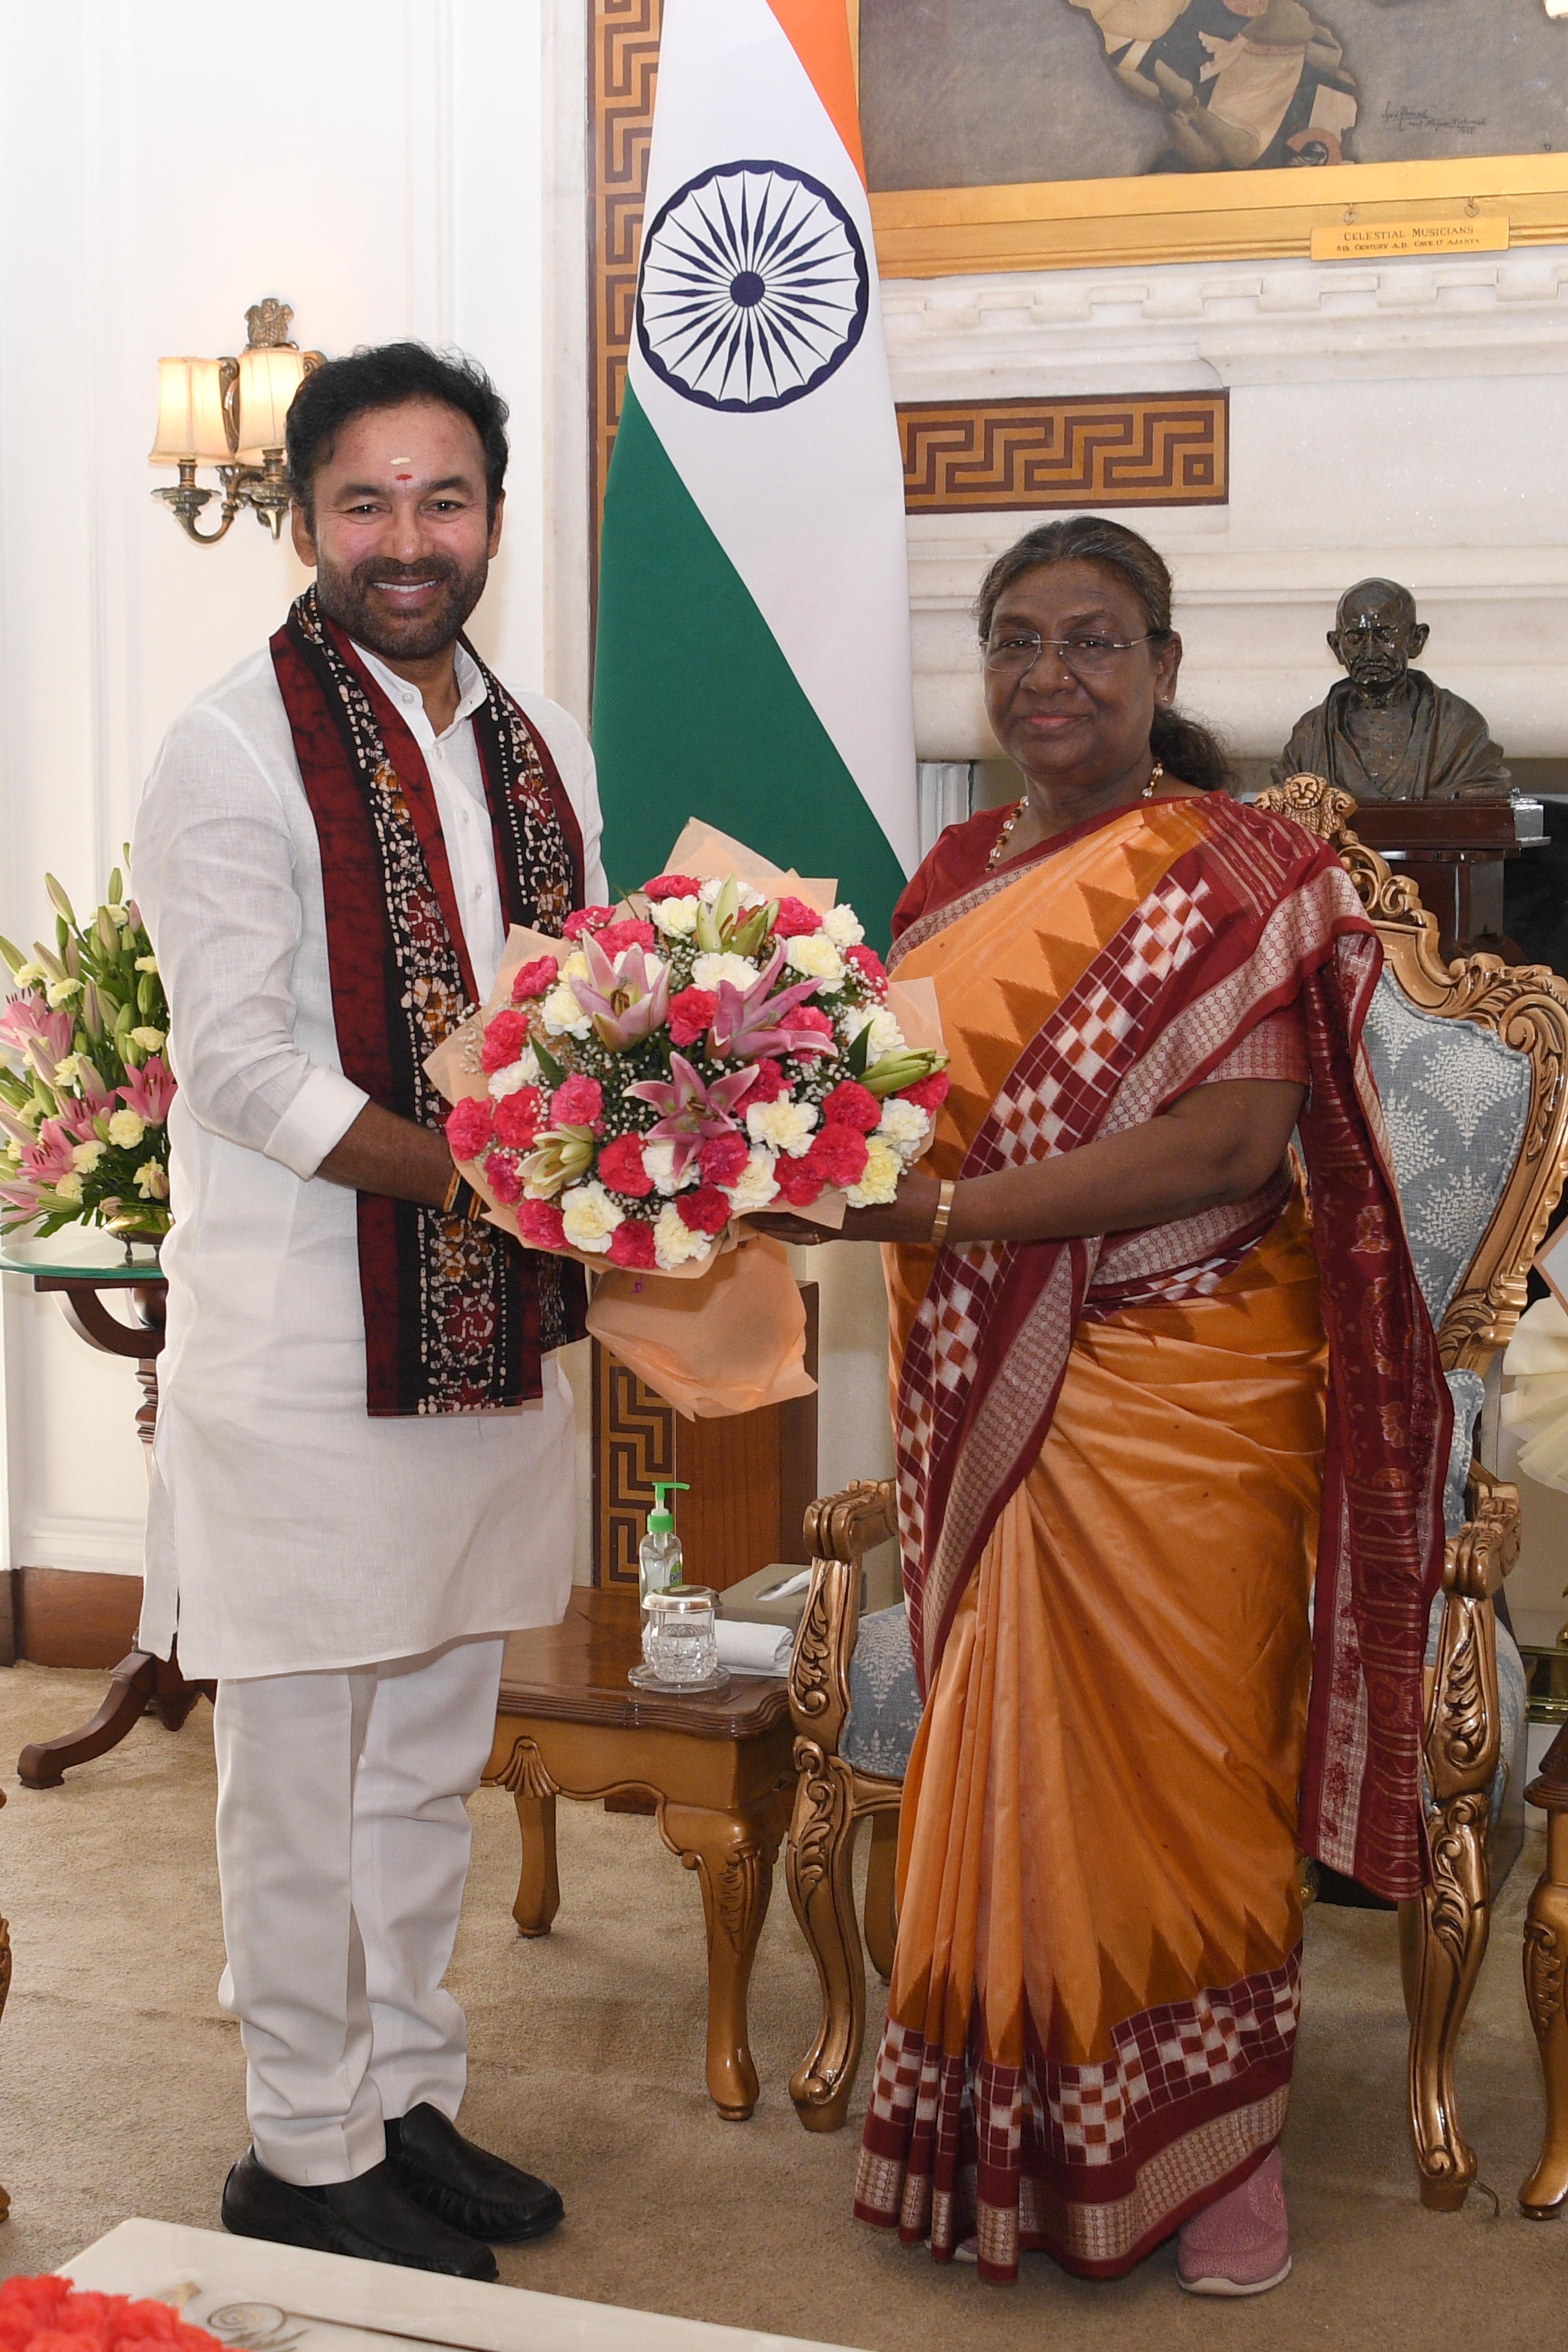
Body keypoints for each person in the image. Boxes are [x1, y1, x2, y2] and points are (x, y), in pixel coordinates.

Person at [756, 516, 1448, 2292]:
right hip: (991, 1377)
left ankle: (1219, 2147)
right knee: (1009, 1767)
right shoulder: (945, 875)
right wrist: (746, 1149)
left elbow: (1228, 1145)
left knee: (1193, 1768)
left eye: (1090, 639)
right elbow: (893, 1119)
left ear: (1160, 668)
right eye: (1015, 639)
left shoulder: (1241, 867)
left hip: (1195, 1378)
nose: (1047, 673)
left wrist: (943, 1218)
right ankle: (1007, 2130)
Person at [132, 343, 606, 2279]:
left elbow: (586, 1003)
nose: (410, 540)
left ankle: (402, 2089)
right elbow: (242, 1064)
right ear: (303, 517)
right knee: (303, 1774)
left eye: (445, 499)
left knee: (426, 1751)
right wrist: (494, 1177)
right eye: (367, 502)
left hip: (491, 1347)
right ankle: (299, 2144)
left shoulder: (540, 734)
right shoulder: (231, 743)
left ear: (493, 514)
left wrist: (649, 1127)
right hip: (309, 1348)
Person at [1275, 577, 1510, 801]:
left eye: (1385, 636)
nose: (1371, 653)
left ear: (1416, 640)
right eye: (1356, 638)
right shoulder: (1309, 738)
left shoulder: (1458, 729)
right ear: (1336, 646)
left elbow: (1484, 799)